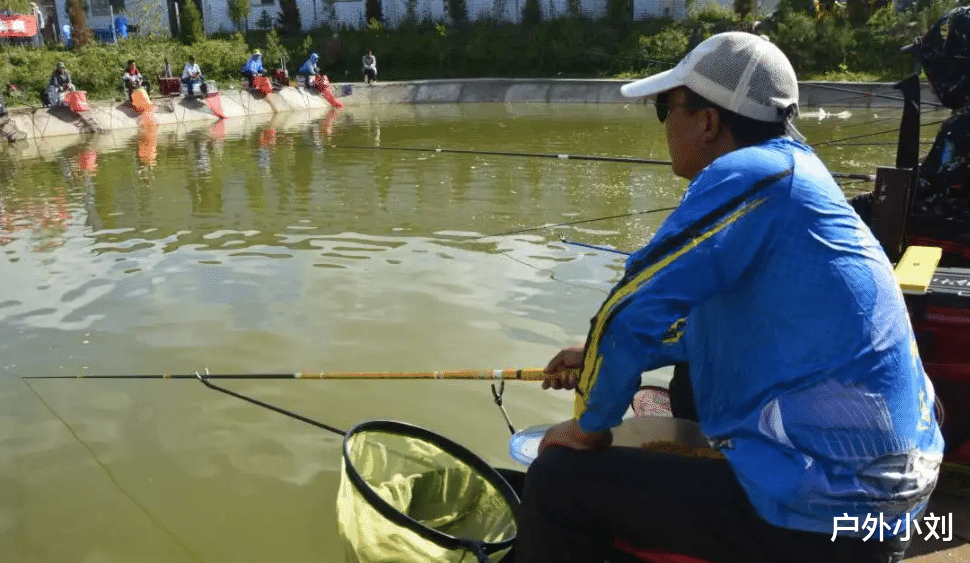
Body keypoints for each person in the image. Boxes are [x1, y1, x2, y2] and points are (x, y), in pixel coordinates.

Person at [517, 32, 944, 563]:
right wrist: (595, 355)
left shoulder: (746, 173)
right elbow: (733, 322)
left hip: (830, 516)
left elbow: (627, 312)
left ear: (709, 121)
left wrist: (588, 428)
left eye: (664, 108)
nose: (666, 123)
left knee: (557, 481)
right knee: (689, 380)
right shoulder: (798, 172)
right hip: (893, 503)